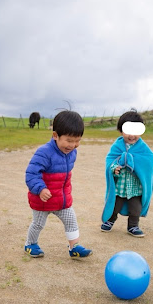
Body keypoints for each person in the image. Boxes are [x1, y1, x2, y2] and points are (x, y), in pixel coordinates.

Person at [24, 110, 92, 259]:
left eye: (77, 140)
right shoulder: (44, 152)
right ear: (55, 136)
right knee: (38, 224)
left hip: (61, 199)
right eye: (69, 140)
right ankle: (30, 243)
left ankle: (74, 247)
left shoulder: (72, 152)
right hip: (43, 199)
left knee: (71, 220)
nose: (73, 145)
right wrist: (40, 189)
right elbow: (31, 174)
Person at [100, 111, 153, 238]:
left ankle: (133, 226)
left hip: (135, 186)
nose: (132, 135)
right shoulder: (117, 146)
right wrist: (114, 168)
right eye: (127, 131)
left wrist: (135, 163)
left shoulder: (142, 147)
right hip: (120, 185)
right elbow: (110, 161)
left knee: (135, 208)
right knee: (115, 205)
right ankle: (110, 220)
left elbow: (151, 161)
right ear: (121, 131)